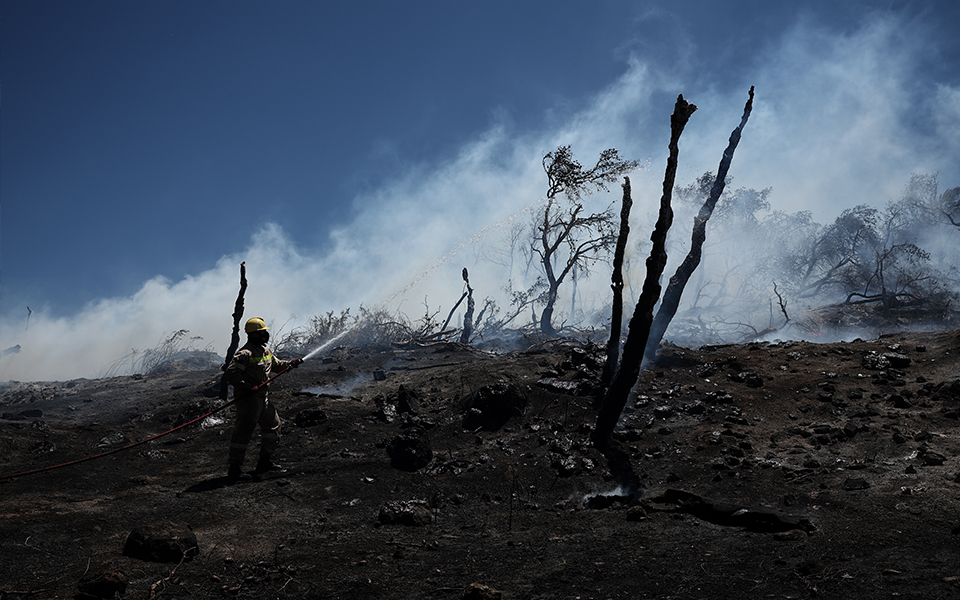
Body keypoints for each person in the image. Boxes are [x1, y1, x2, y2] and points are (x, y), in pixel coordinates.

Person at [224, 317, 300, 483]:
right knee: (244, 431)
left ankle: (265, 462)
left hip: (262, 397)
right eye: (262, 332)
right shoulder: (245, 354)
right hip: (248, 399)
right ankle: (234, 469)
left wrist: (291, 364)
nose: (266, 334)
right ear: (254, 335)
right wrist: (247, 386)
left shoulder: (265, 351)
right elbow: (231, 373)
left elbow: (277, 365)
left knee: (274, 425)